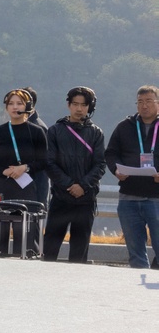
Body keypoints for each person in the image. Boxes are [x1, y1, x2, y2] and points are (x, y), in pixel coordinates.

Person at [43, 87, 106, 263]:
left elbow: (100, 164)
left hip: (86, 200)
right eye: (75, 104)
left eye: (84, 105)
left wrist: (83, 185)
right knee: (50, 249)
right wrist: (69, 185)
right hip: (61, 197)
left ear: (90, 107)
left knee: (79, 253)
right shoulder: (55, 130)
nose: (79, 109)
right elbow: (49, 162)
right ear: (68, 105)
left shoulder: (96, 132)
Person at [0, 88, 48, 256]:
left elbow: (44, 161)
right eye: (10, 103)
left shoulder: (37, 131)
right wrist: (3, 171)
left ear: (28, 106)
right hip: (1, 186)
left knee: (23, 234)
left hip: (25, 187)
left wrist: (24, 168)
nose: (14, 107)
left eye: (19, 103)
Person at [104, 85, 159, 269]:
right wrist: (116, 170)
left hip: (156, 198)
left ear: (157, 103)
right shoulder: (125, 126)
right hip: (129, 198)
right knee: (135, 252)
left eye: (149, 101)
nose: (144, 106)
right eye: (140, 102)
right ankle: (137, 293)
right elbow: (111, 153)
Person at [23, 86, 51, 209]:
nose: (15, 106)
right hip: (17, 188)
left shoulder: (39, 129)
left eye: (20, 103)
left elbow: (43, 165)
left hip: (33, 189)